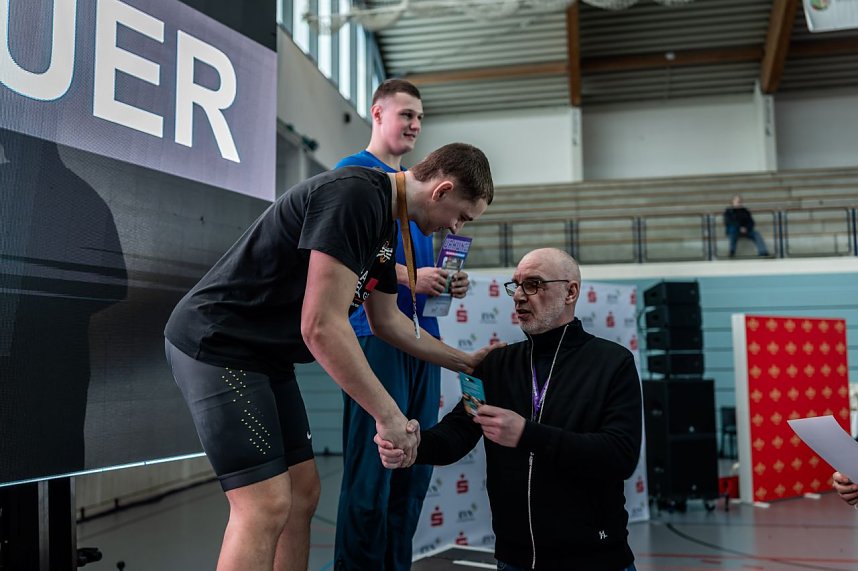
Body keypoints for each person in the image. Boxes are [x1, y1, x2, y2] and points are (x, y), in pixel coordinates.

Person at [163, 142, 494, 571]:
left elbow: (388, 323)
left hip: (267, 358)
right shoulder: (356, 195)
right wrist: (389, 415)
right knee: (264, 504)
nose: (455, 228)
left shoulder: (385, 225)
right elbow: (320, 325)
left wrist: (466, 361)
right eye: (462, 217)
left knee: (302, 493)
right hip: (220, 346)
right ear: (442, 190)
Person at [376, 248, 642, 571]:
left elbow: (620, 455)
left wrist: (527, 434)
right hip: (513, 560)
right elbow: (458, 433)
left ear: (570, 292)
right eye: (515, 285)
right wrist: (415, 445)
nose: (518, 296)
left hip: (596, 560)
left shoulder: (612, 362)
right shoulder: (498, 364)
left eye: (533, 284)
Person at [333, 79, 470, 571]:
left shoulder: (418, 188)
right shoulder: (355, 176)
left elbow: (412, 273)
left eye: (420, 118)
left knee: (413, 470)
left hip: (420, 338)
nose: (415, 124)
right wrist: (414, 276)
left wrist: (443, 281)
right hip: (375, 337)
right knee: (373, 474)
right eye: (406, 114)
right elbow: (350, 265)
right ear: (377, 113)